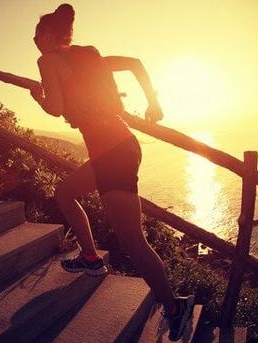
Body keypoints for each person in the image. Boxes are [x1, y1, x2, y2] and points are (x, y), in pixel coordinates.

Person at [29, 4, 194, 341]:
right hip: (118, 148)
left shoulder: (47, 61)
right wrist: (154, 101)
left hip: (112, 153)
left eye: (36, 35)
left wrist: (38, 97)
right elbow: (134, 63)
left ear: (48, 35)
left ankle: (175, 306)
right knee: (65, 192)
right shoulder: (89, 54)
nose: (33, 41)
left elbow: (56, 107)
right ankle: (91, 258)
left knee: (133, 241)